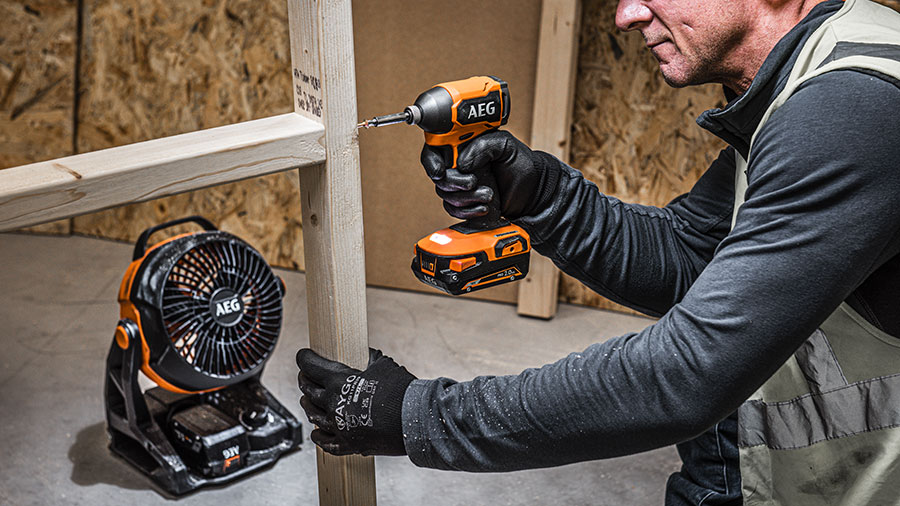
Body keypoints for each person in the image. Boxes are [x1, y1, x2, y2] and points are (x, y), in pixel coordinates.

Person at [296, 0, 900, 503]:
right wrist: (542, 196)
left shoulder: (850, 109)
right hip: (752, 460)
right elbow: (689, 256)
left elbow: (686, 374)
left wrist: (419, 417)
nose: (625, 15)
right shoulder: (809, 75)